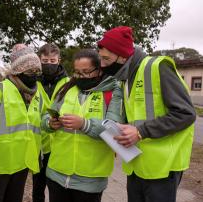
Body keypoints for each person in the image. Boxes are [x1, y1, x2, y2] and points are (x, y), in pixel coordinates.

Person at [97, 26, 196, 202]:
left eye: (106, 59)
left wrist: (141, 132)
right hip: (136, 164)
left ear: (123, 56)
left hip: (162, 168)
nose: (102, 65)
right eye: (101, 59)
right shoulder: (125, 78)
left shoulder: (157, 67)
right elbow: (138, 117)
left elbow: (186, 113)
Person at [42, 49, 124, 202]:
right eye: (77, 72)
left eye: (86, 72)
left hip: (90, 179)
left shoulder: (113, 91)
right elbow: (46, 117)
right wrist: (50, 123)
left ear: (99, 69)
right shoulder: (66, 88)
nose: (81, 77)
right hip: (57, 173)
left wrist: (84, 124)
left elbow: (114, 129)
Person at [0, 44, 45, 202]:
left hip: (21, 164)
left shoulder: (37, 94)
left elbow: (37, 128)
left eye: (37, 71)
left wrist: (38, 156)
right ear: (17, 71)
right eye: (30, 71)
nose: (34, 75)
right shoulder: (0, 90)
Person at [33, 43, 69, 202]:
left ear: (59, 60)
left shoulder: (69, 82)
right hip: (39, 144)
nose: (49, 64)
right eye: (45, 60)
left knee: (58, 189)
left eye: (53, 61)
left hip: (61, 144)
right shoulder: (32, 82)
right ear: (39, 60)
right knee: (37, 187)